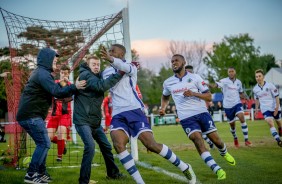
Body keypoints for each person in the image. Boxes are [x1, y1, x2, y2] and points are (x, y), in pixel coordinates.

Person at [100, 44, 196, 184]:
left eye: (113, 51)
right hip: (118, 114)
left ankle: (184, 166)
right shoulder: (106, 72)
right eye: (109, 51)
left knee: (150, 144)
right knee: (118, 145)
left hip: (134, 110)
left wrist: (111, 59)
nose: (110, 53)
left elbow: (123, 68)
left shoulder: (131, 67)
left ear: (121, 54)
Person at [16, 47, 86, 184]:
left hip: (30, 116)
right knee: (44, 143)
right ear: (47, 59)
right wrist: (75, 87)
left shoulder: (41, 73)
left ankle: (41, 173)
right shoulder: (42, 73)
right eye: (54, 58)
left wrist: (67, 91)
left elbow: (56, 91)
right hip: (31, 116)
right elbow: (56, 92)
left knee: (42, 143)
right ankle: (31, 175)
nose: (56, 61)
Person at [160, 54, 236, 180]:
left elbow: (209, 96)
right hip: (186, 118)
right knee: (198, 140)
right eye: (172, 61)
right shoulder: (168, 82)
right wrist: (162, 108)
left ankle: (224, 152)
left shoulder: (195, 77)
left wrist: (193, 93)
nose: (174, 63)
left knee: (216, 140)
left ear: (184, 62)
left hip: (202, 113)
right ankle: (216, 169)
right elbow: (165, 96)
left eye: (176, 61)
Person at [73, 55, 125, 184]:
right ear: (87, 65)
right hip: (83, 120)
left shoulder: (96, 75)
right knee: (90, 146)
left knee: (106, 146)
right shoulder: (86, 75)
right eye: (93, 64)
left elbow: (106, 74)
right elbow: (102, 86)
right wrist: (120, 73)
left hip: (94, 122)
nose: (96, 67)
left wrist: (124, 65)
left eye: (98, 64)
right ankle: (83, 181)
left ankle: (113, 174)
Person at [209, 67, 252, 148]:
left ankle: (246, 140)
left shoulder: (238, 82)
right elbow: (216, 85)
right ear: (228, 73)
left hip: (237, 103)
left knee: (242, 118)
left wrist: (245, 97)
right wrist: (209, 85)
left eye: (232, 71)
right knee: (232, 126)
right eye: (229, 72)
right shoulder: (224, 81)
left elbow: (241, 92)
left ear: (235, 72)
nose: (231, 73)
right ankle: (235, 138)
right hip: (228, 106)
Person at [185, 65, 214, 149]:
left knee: (206, 131)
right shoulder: (183, 83)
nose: (188, 74)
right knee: (198, 131)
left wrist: (209, 104)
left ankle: (212, 143)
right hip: (189, 112)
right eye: (186, 72)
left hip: (200, 110)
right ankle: (209, 143)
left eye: (189, 72)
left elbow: (207, 95)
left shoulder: (197, 80)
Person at [47, 64, 72, 162]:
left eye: (66, 73)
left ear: (69, 74)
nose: (64, 75)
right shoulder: (55, 83)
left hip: (65, 114)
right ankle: (62, 144)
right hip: (54, 114)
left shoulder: (71, 86)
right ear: (60, 73)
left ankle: (59, 157)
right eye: (62, 73)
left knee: (61, 133)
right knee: (49, 137)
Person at [253, 69, 282, 147]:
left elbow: (277, 97)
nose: (258, 78)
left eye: (259, 76)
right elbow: (257, 99)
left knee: (279, 123)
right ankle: (278, 140)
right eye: (256, 77)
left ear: (263, 77)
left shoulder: (270, 85)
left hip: (275, 107)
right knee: (270, 122)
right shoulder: (255, 89)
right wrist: (256, 110)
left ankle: (280, 129)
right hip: (265, 109)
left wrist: (276, 108)